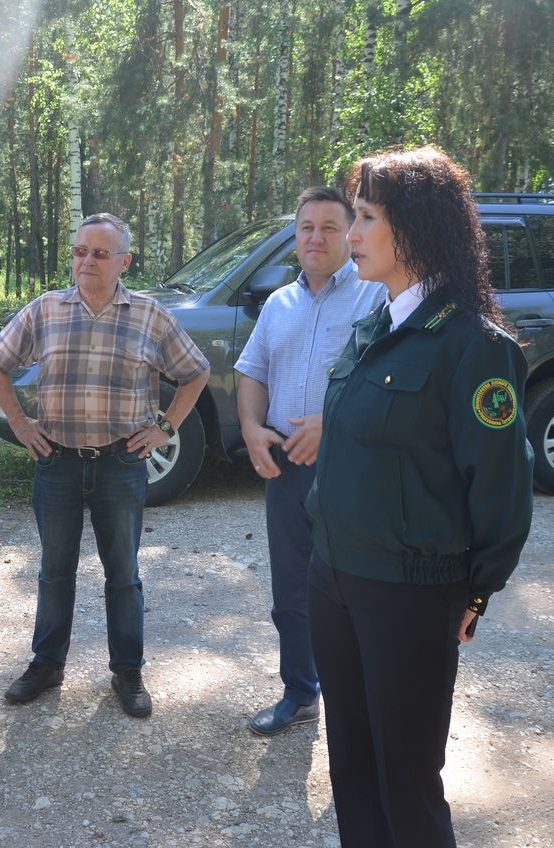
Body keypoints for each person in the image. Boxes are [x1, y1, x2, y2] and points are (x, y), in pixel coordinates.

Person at [303, 146, 534, 847]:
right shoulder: (377, 326)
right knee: (352, 766)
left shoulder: (471, 345)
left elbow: (501, 486)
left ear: (418, 230)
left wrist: (474, 590)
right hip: (335, 579)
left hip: (409, 592)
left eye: (367, 218)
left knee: (406, 777)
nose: (351, 235)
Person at [0, 212, 210, 718]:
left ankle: (128, 673)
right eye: (80, 251)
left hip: (120, 466)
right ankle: (46, 665)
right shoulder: (46, 310)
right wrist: (20, 424)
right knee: (53, 571)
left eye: (100, 253)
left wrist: (166, 428)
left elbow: (195, 373)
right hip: (56, 463)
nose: (86, 261)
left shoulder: (150, 316)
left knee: (123, 575)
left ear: (124, 261)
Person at [234, 186, 385, 736]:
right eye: (305, 228)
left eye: (328, 226)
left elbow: (387, 384)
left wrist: (334, 423)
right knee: (291, 591)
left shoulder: (376, 297)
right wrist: (252, 428)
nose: (315, 237)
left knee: (357, 588)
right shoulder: (279, 304)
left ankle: (364, 705)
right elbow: (252, 371)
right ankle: (300, 692)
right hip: (286, 471)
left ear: (350, 234)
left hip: (353, 469)